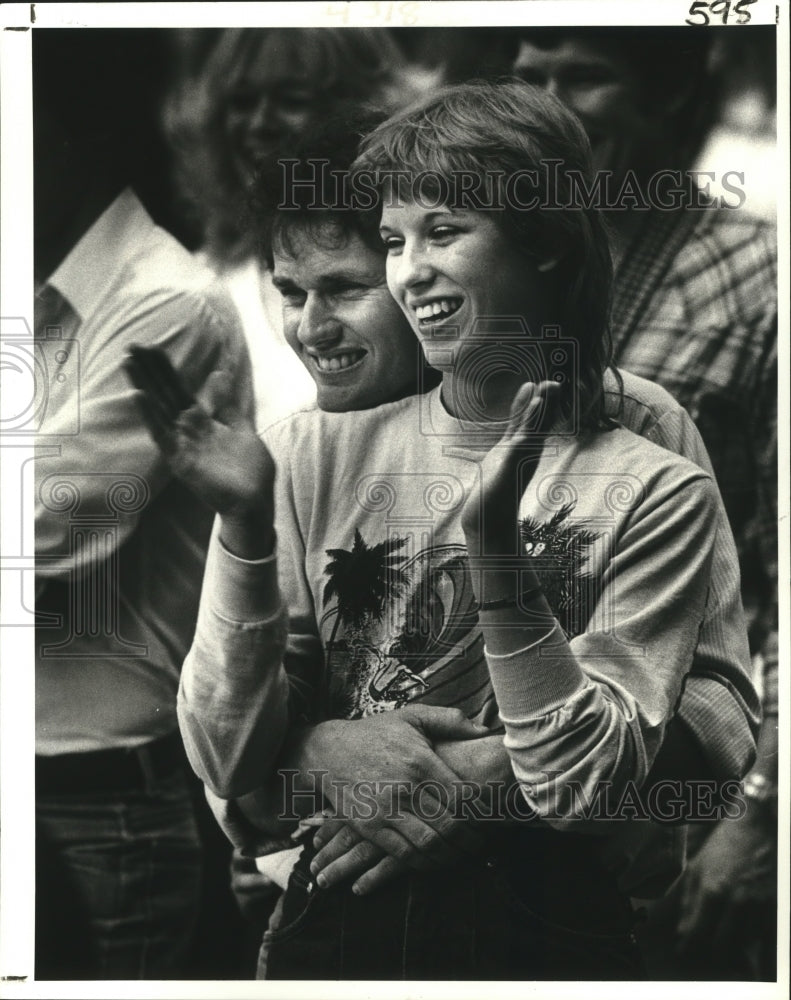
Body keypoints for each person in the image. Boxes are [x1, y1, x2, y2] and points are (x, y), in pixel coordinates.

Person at [129, 80, 757, 981]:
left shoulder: (641, 436)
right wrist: (317, 752)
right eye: (293, 292)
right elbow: (229, 755)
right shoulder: (304, 452)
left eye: (346, 284)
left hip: (554, 906)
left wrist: (487, 781)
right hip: (326, 897)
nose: (314, 332)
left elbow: (708, 713)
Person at [510, 28, 778, 979]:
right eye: (528, 73)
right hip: (502, 748)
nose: (548, 103)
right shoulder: (489, 263)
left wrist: (762, 813)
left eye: (583, 75)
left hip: (674, 765)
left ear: (668, 94)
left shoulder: (756, 279)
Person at [33, 31, 253, 979]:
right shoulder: (32, 292)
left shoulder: (166, 305)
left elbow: (35, 530)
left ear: (61, 139)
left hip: (94, 808)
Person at [163, 27, 421, 429]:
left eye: (291, 100)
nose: (261, 123)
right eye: (242, 102)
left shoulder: (409, 259)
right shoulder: (192, 280)